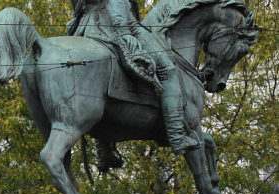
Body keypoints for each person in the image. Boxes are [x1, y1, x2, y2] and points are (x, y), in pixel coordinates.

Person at [68, 0, 197, 155]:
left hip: (85, 28)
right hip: (118, 25)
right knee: (167, 70)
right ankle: (177, 137)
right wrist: (124, 32)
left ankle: (104, 151)